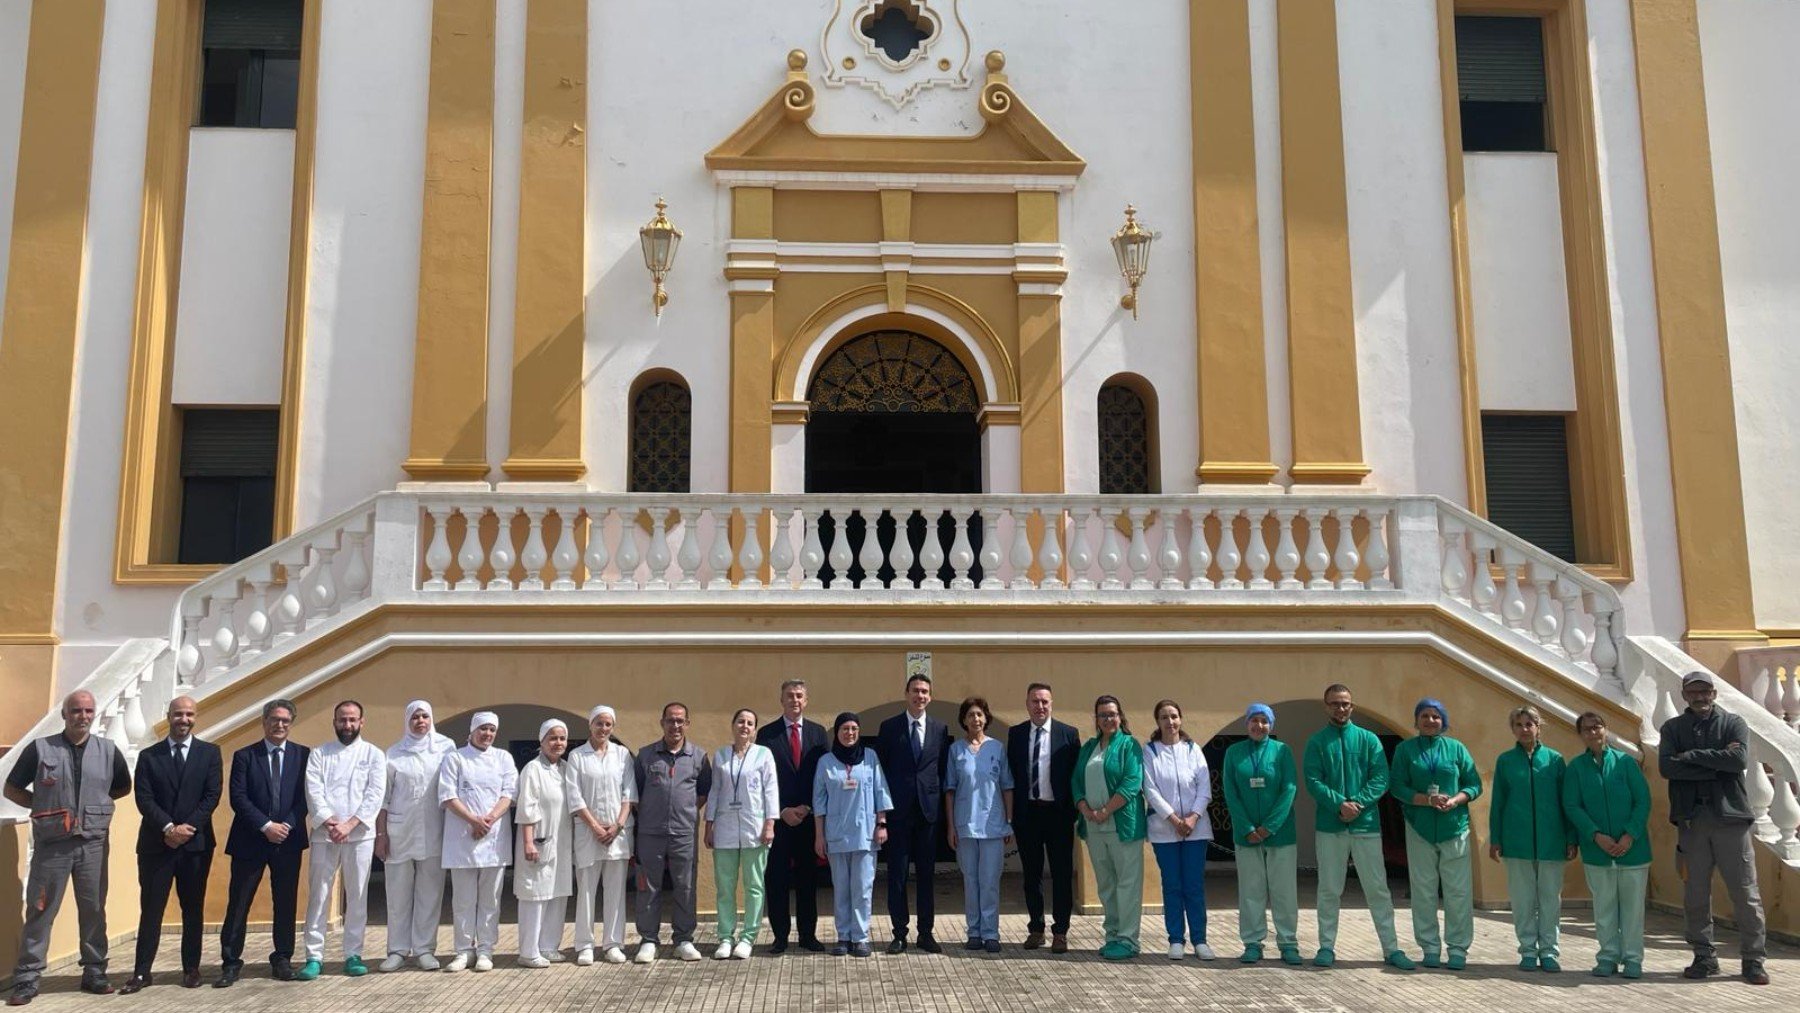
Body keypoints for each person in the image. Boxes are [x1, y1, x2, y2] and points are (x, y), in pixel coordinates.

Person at [4, 690, 132, 1005]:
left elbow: (121, 787)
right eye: (76, 710)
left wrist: (92, 807)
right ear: (65, 714)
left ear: (95, 714)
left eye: (88, 710)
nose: (83, 716)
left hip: (92, 843)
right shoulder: (41, 749)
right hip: (52, 846)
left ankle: (94, 972)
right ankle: (27, 979)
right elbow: (12, 788)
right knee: (40, 910)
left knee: (93, 911)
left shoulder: (108, 750)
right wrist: (43, 805)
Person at [1659, 669, 1769, 985]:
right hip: (1692, 822)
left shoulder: (1733, 723)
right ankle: (1704, 957)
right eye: (1693, 692)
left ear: (1714, 694)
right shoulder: (1672, 728)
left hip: (1731, 819)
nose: (1700, 697)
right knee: (1695, 893)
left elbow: (1737, 762)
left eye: (1704, 691)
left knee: (1745, 893)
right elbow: (1668, 767)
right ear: (1684, 696)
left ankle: (1753, 960)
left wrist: (1691, 757)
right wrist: (1714, 765)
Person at [1304, 684, 1411, 970]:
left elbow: (1380, 778)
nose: (1341, 708)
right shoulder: (1317, 742)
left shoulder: (1369, 740)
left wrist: (1358, 804)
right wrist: (1339, 804)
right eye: (1335, 704)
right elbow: (1313, 781)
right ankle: (1326, 946)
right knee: (1329, 888)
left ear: (1352, 706)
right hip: (1330, 825)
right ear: (1326, 706)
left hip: (1365, 825)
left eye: (1345, 704)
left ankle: (1391, 949)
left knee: (1377, 888)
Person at [120, 696, 220, 995]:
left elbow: (211, 796)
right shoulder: (150, 756)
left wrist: (186, 829)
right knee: (151, 909)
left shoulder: (210, 753)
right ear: (169, 716)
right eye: (178, 714)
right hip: (156, 844)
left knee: (193, 909)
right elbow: (144, 798)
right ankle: (141, 973)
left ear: (196, 717)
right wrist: (167, 828)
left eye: (189, 714)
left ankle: (191, 969)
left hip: (196, 844)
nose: (184, 719)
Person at [216, 698, 310, 988]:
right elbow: (238, 797)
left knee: (285, 902)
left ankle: (282, 958)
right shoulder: (245, 756)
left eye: (285, 720)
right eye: (274, 720)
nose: (279, 725)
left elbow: (307, 796)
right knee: (239, 902)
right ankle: (231, 962)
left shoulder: (303, 755)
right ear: (264, 722)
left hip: (288, 840)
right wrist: (266, 826)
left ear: (290, 724)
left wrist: (287, 825)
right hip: (250, 840)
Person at [1389, 698, 1482, 970]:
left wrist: (1456, 800)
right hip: (1419, 827)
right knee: (1423, 891)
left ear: (1444, 721)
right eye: (1425, 716)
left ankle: (1458, 949)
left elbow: (1474, 784)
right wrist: (1424, 800)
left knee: (1458, 892)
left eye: (1435, 716)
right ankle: (1429, 947)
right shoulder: (1405, 750)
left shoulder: (1456, 749)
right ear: (1416, 721)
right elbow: (1397, 786)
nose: (1430, 721)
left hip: (1455, 827)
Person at [297, 700, 386, 980]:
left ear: (362, 722)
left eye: (352, 720)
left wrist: (350, 825)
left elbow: (375, 794)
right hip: (325, 834)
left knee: (358, 894)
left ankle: (353, 954)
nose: (347, 725)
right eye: (342, 720)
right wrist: (330, 822)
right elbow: (313, 790)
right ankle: (314, 955)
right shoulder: (319, 754)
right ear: (334, 721)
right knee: (319, 895)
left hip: (360, 835)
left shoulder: (373, 754)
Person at [1563, 710, 1651, 979]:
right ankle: (1608, 956)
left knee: (1633, 910)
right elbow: (1572, 805)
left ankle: (1633, 959)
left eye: (1597, 726)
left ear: (1605, 729)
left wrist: (1629, 835)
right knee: (1604, 908)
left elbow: (1642, 801)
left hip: (1632, 851)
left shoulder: (1626, 763)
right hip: (1597, 851)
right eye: (1587, 729)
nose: (1593, 732)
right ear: (1581, 735)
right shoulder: (1576, 768)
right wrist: (1595, 835)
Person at [1487, 705, 1575, 972]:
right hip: (1516, 842)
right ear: (1512, 728)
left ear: (1539, 727)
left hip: (1552, 842)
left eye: (1529, 724)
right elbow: (1498, 802)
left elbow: (1567, 802)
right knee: (1523, 900)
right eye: (1519, 724)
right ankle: (1527, 950)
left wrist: (1571, 838)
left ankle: (1549, 952)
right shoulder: (1505, 761)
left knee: (1550, 899)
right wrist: (1496, 838)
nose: (1525, 729)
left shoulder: (1555, 760)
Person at [375, 700, 456, 971]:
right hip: (399, 832)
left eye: (425, 716)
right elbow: (383, 800)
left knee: (430, 893)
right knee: (397, 894)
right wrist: (381, 834)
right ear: (407, 721)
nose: (420, 721)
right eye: (415, 717)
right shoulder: (394, 753)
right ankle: (397, 950)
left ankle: (424, 949)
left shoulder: (445, 748)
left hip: (435, 831)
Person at [874, 674, 952, 954]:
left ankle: (926, 933)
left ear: (930, 696)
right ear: (906, 694)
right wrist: (880, 815)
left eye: (925, 692)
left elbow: (942, 772)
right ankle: (899, 933)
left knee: (927, 876)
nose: (920, 696)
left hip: (928, 815)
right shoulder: (889, 727)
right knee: (896, 876)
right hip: (898, 813)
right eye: (916, 691)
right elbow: (879, 773)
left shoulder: (940, 729)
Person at [633, 701, 712, 963]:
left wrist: (685, 811)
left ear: (687, 724)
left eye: (680, 721)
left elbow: (703, 793)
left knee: (685, 886)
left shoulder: (698, 757)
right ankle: (648, 940)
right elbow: (637, 793)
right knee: (648, 886)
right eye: (670, 720)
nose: (675, 725)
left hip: (683, 833)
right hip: (650, 833)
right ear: (662, 723)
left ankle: (684, 939)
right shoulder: (645, 755)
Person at [1221, 703, 1299, 965]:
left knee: (1284, 891)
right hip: (1247, 836)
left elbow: (1289, 789)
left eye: (1264, 721)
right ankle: (1253, 942)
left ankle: (1288, 942)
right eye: (1254, 720)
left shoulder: (1282, 751)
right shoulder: (1234, 753)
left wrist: (1270, 827)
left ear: (1271, 724)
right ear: (1246, 724)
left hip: (1281, 834)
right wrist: (1247, 828)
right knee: (1251, 891)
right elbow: (1231, 793)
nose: (1259, 726)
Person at [438, 711, 516, 972]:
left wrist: (489, 820)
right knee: (462, 899)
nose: (488, 734)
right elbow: (448, 796)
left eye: (492, 730)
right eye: (483, 729)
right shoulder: (455, 758)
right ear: (472, 731)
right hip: (462, 839)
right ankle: (463, 950)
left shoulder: (503, 758)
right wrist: (473, 820)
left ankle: (486, 949)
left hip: (493, 840)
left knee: (490, 899)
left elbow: (508, 793)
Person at [1006, 682, 1079, 953]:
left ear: (1052, 703)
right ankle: (1036, 928)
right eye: (1035, 701)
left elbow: (1075, 776)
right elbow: (1012, 776)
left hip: (1058, 815)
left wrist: (1072, 811)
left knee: (1061, 875)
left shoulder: (1068, 734)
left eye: (1045, 701)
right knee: (1031, 875)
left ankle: (1060, 931)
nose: (1040, 706)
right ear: (1027, 704)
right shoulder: (1016, 734)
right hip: (1028, 815)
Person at [756, 679, 828, 954]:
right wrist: (782, 810)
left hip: (809, 819)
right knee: (776, 879)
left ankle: (808, 935)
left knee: (808, 879)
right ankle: (780, 937)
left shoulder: (819, 733)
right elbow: (764, 780)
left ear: (806, 701)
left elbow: (823, 777)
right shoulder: (767, 735)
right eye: (789, 696)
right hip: (779, 819)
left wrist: (808, 807)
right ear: (781, 700)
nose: (794, 700)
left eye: (799, 696)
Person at [813, 712, 892, 957]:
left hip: (866, 834)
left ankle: (860, 937)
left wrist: (882, 823)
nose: (850, 733)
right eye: (845, 729)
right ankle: (843, 937)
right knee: (842, 888)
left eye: (854, 729)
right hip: (836, 834)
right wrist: (819, 836)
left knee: (863, 887)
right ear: (837, 732)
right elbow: (819, 801)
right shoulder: (826, 761)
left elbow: (880, 790)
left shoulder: (870, 757)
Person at [1073, 694, 1145, 961]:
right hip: (1093, 826)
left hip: (1123, 826)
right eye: (1103, 715)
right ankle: (1112, 934)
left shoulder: (1129, 745)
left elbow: (1131, 783)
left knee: (1127, 883)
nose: (1108, 719)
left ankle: (1128, 940)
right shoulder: (1089, 747)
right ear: (1096, 719)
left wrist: (1105, 810)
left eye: (1112, 714)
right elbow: (1076, 782)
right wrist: (1085, 809)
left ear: (1120, 716)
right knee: (1106, 884)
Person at [1142, 699, 1214, 961]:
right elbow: (1150, 789)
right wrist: (1173, 820)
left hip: (1197, 829)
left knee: (1193, 885)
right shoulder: (1150, 751)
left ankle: (1200, 940)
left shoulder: (1193, 749)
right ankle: (1175, 939)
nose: (1170, 722)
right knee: (1172, 884)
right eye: (1164, 717)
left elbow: (1204, 786)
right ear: (1157, 721)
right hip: (1164, 830)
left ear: (1181, 719)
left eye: (1173, 716)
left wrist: (1193, 818)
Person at [705, 708, 779, 959]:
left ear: (755, 729)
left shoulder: (763, 754)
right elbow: (715, 791)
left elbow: (771, 790)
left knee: (754, 886)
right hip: (725, 829)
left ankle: (748, 937)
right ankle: (725, 937)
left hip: (754, 828)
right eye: (740, 721)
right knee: (725, 887)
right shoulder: (722, 755)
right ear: (733, 725)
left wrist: (770, 824)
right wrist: (709, 825)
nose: (744, 726)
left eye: (750, 723)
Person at [943, 697, 1013, 953]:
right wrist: (950, 827)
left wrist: (1008, 821)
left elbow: (1007, 786)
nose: (975, 719)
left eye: (980, 715)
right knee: (971, 881)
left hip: (993, 826)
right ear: (963, 720)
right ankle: (974, 932)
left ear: (986, 718)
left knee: (990, 881)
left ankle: (991, 933)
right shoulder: (956, 751)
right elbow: (949, 791)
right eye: (971, 715)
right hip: (965, 825)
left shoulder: (997, 748)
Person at [567, 704, 636, 964]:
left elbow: (629, 794)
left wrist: (617, 826)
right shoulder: (577, 756)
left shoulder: (622, 755)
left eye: (608, 724)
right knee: (586, 890)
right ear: (590, 725)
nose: (603, 729)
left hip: (617, 833)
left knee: (615, 890)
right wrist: (596, 827)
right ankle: (585, 944)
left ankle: (612, 944)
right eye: (599, 723)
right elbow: (575, 797)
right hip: (589, 833)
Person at [514, 719, 574, 967]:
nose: (557, 743)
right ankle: (528, 951)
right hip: (538, 839)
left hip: (561, 841)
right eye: (552, 738)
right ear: (541, 741)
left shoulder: (566, 768)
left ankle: (549, 945)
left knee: (557, 893)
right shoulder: (532, 769)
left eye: (561, 738)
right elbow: (527, 807)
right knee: (534, 894)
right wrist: (528, 842)